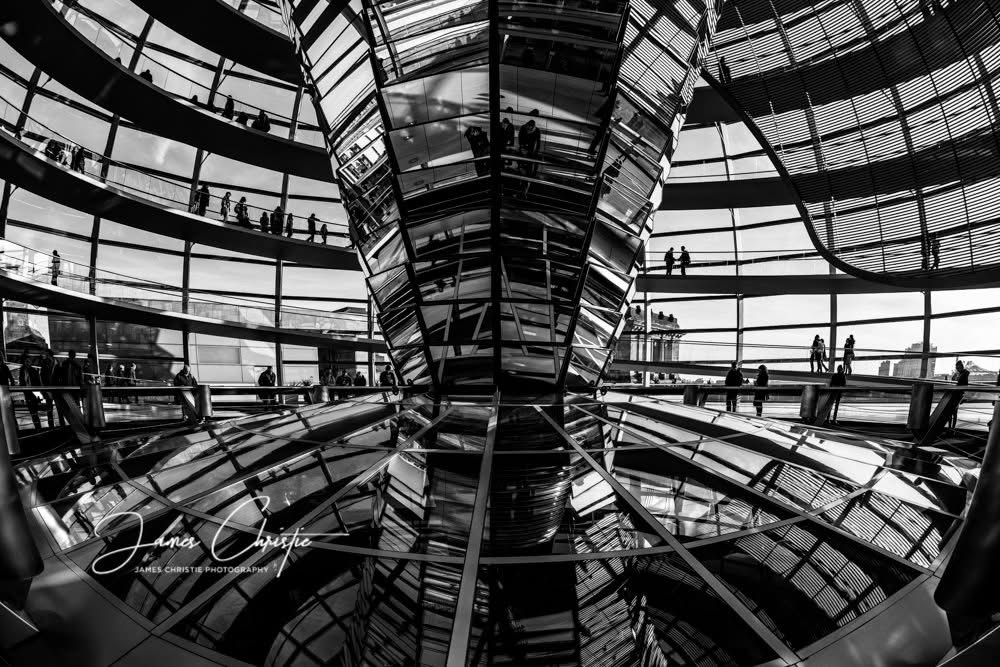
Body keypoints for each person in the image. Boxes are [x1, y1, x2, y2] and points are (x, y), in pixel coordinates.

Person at [18, 353, 42, 429]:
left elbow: (37, 382)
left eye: (29, 361)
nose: (27, 363)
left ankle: (38, 427)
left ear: (30, 362)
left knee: (34, 411)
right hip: (27, 393)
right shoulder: (22, 370)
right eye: (26, 361)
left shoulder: (33, 371)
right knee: (32, 412)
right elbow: (22, 381)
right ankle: (37, 427)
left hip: (33, 392)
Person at [949, 360, 970, 430]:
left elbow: (961, 384)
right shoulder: (960, 373)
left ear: (961, 366)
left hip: (958, 395)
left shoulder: (964, 374)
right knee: (953, 412)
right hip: (956, 395)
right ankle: (951, 428)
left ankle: (951, 428)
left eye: (957, 367)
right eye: (956, 368)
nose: (957, 369)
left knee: (953, 412)